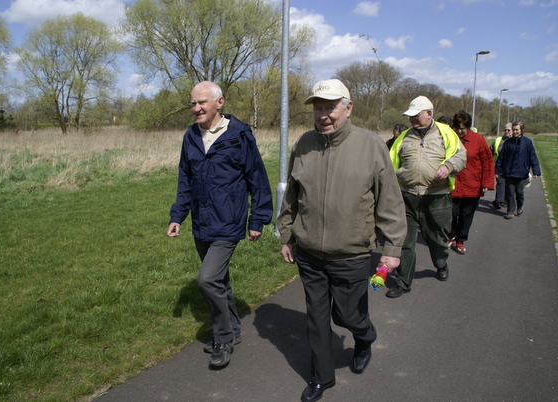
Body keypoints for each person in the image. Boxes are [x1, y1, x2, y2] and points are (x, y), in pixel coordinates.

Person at [277, 79, 407, 402]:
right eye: (317, 107)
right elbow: (291, 196)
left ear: (348, 108)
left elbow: (390, 201)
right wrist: (287, 235)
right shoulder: (304, 144)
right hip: (309, 254)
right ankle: (322, 377)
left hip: (352, 254)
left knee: (346, 316)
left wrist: (391, 250)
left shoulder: (371, 145)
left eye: (330, 106)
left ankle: (364, 337)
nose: (323, 114)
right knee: (317, 319)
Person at [167, 81, 273, 368]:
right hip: (201, 222)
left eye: (202, 102)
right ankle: (234, 327)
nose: (196, 108)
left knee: (207, 279)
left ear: (219, 102)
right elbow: (184, 180)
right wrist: (178, 216)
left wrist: (258, 219)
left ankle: (223, 337)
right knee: (220, 281)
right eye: (193, 103)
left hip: (228, 221)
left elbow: (257, 178)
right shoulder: (191, 136)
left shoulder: (239, 135)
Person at [387, 96, 466, 298]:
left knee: (436, 237)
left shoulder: (445, 132)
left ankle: (441, 263)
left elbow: (460, 155)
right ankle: (403, 282)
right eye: (410, 116)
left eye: (416, 115)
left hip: (437, 196)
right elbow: (389, 163)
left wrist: (448, 166)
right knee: (405, 240)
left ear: (429, 113)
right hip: (407, 196)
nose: (412, 118)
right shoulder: (403, 137)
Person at [448, 111, 495, 254]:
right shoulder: (450, 138)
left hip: (472, 184)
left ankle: (461, 240)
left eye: (463, 128)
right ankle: (451, 235)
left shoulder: (478, 140)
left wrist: (486, 183)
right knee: (450, 212)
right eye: (457, 128)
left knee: (466, 214)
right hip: (453, 184)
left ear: (468, 127)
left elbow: (487, 162)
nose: (460, 131)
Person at [495, 121, 541, 219]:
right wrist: (497, 170)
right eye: (514, 129)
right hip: (509, 172)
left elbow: (533, 157)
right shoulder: (508, 143)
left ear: (521, 130)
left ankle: (520, 205)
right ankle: (510, 211)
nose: (515, 132)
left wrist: (536, 171)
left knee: (519, 191)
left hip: (521, 171)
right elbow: (501, 158)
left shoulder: (527, 142)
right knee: (510, 192)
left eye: (517, 130)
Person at [490, 123, 513, 210]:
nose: (506, 132)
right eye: (505, 130)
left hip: (512, 168)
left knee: (510, 185)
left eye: (508, 130)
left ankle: (507, 200)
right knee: (500, 183)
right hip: (499, 167)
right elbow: (490, 151)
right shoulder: (498, 140)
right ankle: (499, 201)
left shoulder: (516, 140)